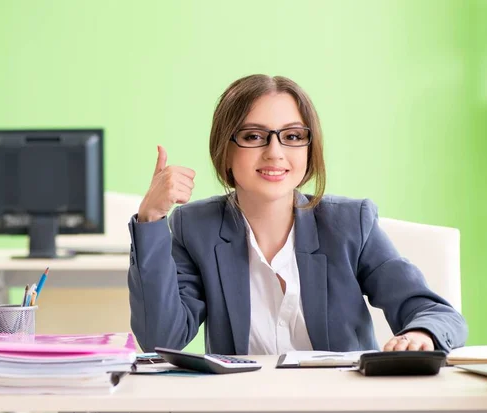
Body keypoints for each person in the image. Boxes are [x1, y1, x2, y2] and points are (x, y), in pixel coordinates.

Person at [127, 74, 467, 355]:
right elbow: (162, 339)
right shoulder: (195, 227)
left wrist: (422, 334)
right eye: (253, 136)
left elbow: (435, 313)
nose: (275, 153)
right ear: (225, 151)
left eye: (292, 136)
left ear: (309, 148)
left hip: (341, 404)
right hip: (243, 405)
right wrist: (150, 219)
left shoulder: (351, 224)